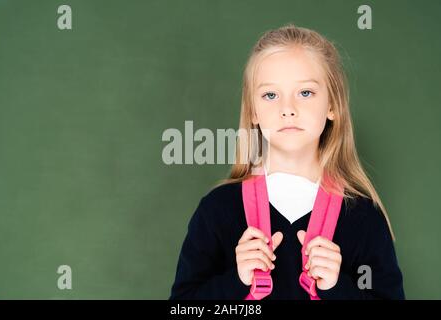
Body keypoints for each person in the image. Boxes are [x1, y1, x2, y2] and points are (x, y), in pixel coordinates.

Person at [169, 23, 405, 300]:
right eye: (270, 95)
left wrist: (337, 288)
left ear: (333, 106)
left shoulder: (363, 218)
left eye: (305, 93)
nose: (288, 110)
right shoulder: (218, 211)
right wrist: (237, 280)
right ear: (253, 111)